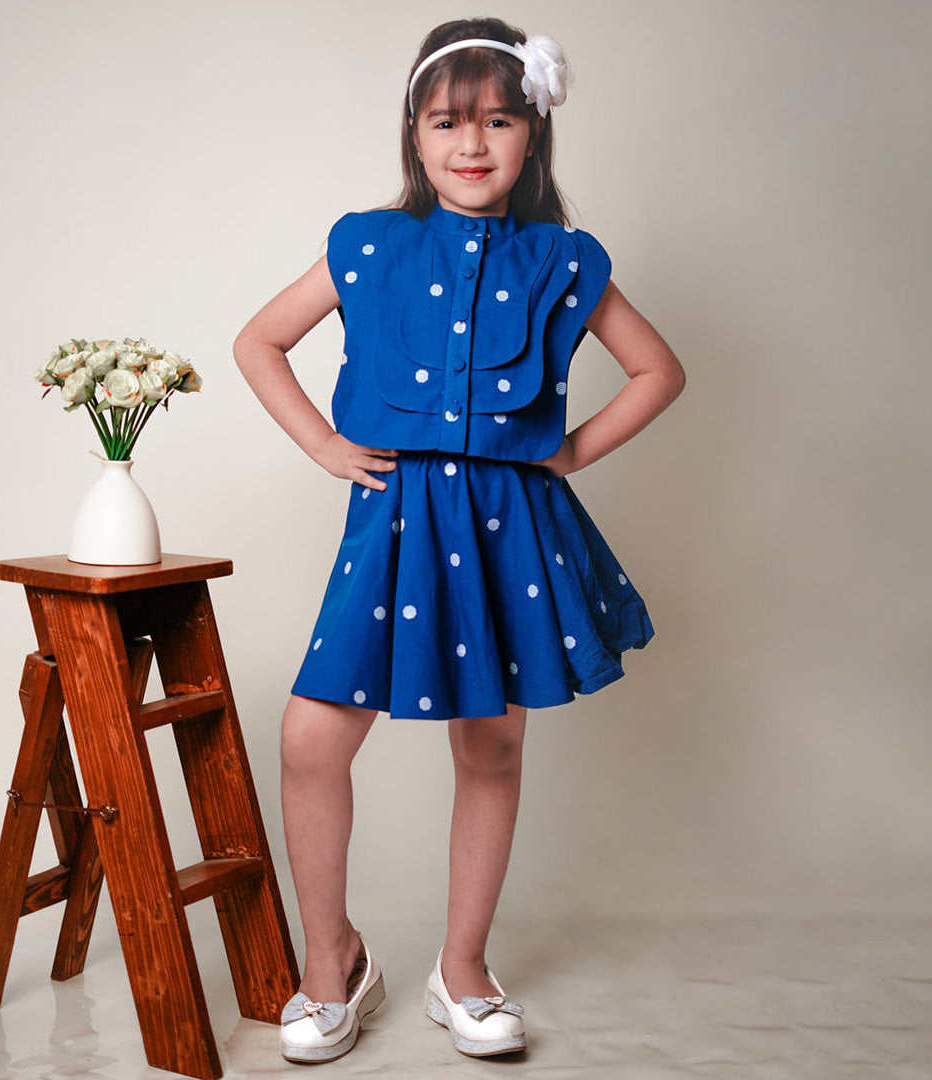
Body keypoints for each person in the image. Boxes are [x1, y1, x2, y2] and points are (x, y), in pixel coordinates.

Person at [233, 15, 686, 1065]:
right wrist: (325, 446)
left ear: (533, 135)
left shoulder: (561, 260)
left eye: (497, 119)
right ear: (414, 131)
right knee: (312, 736)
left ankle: (463, 968)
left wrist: (566, 454)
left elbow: (659, 369)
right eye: (449, 120)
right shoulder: (368, 244)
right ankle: (330, 960)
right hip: (389, 524)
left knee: (490, 742)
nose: (472, 141)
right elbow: (258, 341)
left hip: (507, 530)